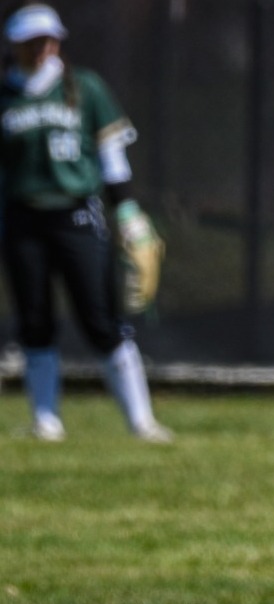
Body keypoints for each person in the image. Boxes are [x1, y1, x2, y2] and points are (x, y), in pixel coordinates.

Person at [1, 3, 169, 443]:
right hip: (22, 218)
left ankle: (141, 421)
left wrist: (128, 212)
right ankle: (46, 420)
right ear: (14, 44)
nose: (43, 48)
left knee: (101, 319)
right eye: (33, 41)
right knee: (34, 319)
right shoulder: (6, 92)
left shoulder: (85, 88)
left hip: (76, 214)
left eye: (49, 39)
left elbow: (111, 158)